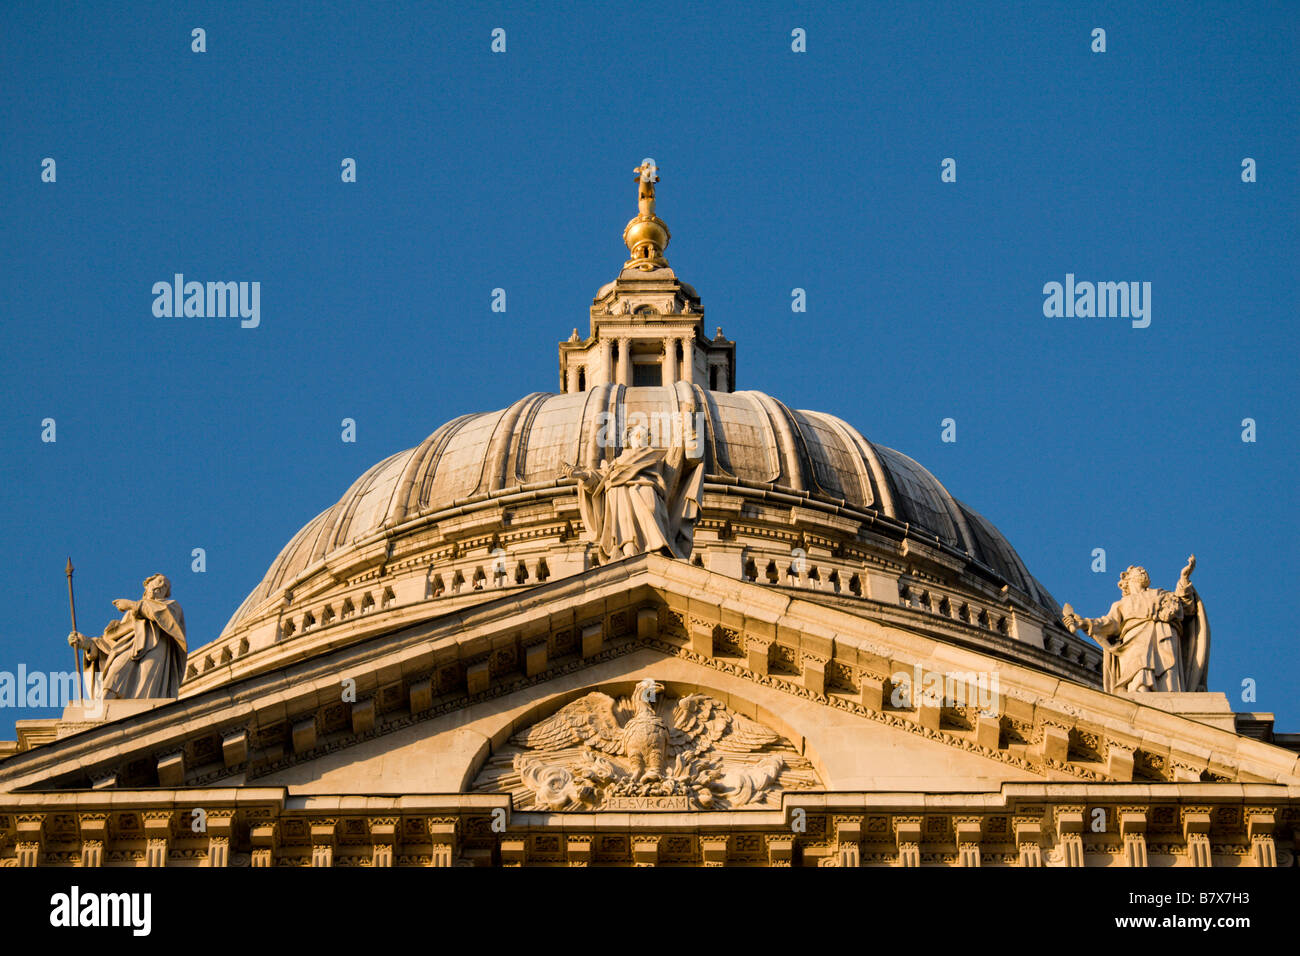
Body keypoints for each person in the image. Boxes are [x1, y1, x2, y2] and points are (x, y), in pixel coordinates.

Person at [562, 419, 703, 563]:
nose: (642, 439)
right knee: (623, 520)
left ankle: (657, 549)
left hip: (647, 490)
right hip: (620, 496)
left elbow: (677, 464)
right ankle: (629, 550)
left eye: (645, 437)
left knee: (650, 510)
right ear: (629, 440)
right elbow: (599, 479)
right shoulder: (617, 463)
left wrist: (686, 429)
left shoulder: (655, 457)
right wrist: (583, 476)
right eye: (638, 436)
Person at [1062, 556, 1209, 694]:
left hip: (1163, 635)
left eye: (1143, 571)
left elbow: (1186, 606)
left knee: (1168, 670)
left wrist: (1184, 578)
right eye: (1139, 571)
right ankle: (1141, 695)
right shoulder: (1121, 604)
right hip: (1135, 638)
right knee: (1139, 671)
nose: (1143, 572)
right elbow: (1109, 623)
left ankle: (1168, 696)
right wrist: (1085, 623)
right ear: (1127, 580)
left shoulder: (1161, 594)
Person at [68, 573, 187, 699]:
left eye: (165, 586)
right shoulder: (131, 613)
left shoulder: (171, 605)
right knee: (115, 672)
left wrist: (132, 605)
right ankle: (104, 705)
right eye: (159, 581)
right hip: (128, 648)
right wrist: (90, 644)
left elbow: (163, 616)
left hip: (155, 647)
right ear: (147, 585)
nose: (161, 586)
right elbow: (113, 642)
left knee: (146, 682)